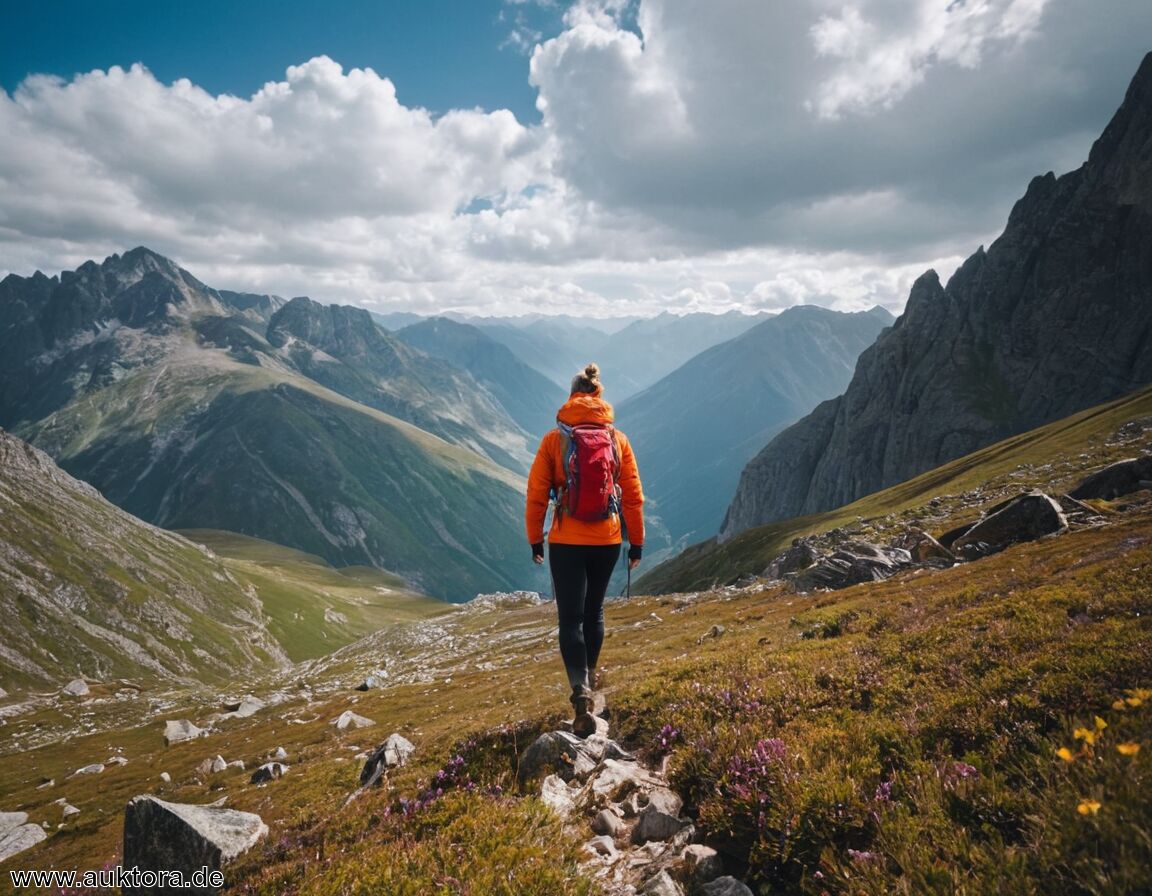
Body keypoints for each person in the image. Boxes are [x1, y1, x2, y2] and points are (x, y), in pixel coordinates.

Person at [525, 363, 644, 737]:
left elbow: (535, 496)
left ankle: (580, 690)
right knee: (594, 612)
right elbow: (634, 497)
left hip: (565, 540)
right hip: (607, 540)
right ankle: (591, 677)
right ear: (599, 396)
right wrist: (635, 542)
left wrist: (535, 538)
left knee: (569, 618)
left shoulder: (553, 441)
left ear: (572, 395)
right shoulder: (618, 439)